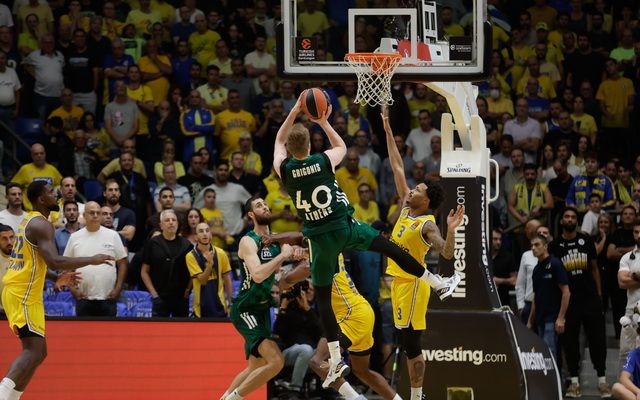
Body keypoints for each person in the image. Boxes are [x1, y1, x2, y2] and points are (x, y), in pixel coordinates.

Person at [273, 96, 462, 389]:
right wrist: (325, 122)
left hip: (324, 239)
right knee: (390, 249)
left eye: (419, 189)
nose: (413, 190)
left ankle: (340, 360)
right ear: (310, 146)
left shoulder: (284, 169)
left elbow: (278, 141)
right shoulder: (323, 161)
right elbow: (355, 151)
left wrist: (296, 110)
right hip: (346, 229)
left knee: (326, 300)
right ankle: (437, 283)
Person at [0, 181, 112, 400]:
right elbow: (55, 260)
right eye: (51, 192)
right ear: (41, 199)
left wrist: (54, 278)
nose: (57, 194)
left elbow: (34, 263)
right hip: (22, 293)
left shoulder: (32, 220)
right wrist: (93, 259)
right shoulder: (41, 225)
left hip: (23, 291)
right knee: (32, 350)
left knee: (39, 352)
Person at [221, 197, 301, 400]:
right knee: (276, 361)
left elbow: (277, 278)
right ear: (251, 214)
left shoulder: (275, 241)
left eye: (265, 204)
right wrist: (283, 256)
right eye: (259, 206)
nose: (264, 207)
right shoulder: (248, 241)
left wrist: (298, 256)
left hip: (263, 309)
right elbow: (257, 275)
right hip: (246, 308)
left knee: (256, 366)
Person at [549, 206, 611, 397]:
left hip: (590, 299)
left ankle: (602, 381)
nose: (570, 219)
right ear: (561, 221)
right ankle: (574, 382)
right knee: (570, 342)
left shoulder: (586, 241)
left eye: (573, 217)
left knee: (598, 340)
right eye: (566, 216)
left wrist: (599, 295)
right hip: (569, 301)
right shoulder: (554, 245)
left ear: (577, 221)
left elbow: (594, 268)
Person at [65, 202, 128, 317]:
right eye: (91, 213)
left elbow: (123, 263)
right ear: (84, 215)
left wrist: (118, 288)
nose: (95, 216)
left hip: (108, 298)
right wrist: (73, 289)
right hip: (83, 298)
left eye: (98, 213)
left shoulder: (113, 235)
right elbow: (66, 265)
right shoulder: (75, 237)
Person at [140, 209, 192, 317]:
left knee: (182, 327)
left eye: (174, 220)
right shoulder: (153, 243)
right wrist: (154, 294)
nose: (171, 222)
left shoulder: (187, 245)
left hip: (181, 298)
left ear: (178, 224)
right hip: (159, 297)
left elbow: (193, 271)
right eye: (167, 220)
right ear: (161, 225)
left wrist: (188, 290)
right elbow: (144, 271)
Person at [527, 233, 570, 362]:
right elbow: (536, 296)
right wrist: (530, 320)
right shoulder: (536, 269)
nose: (533, 248)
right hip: (540, 317)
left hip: (552, 316)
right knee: (542, 352)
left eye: (537, 245)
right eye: (532, 246)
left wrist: (561, 317)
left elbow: (566, 292)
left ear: (545, 246)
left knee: (549, 350)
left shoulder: (555, 264)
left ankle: (554, 375)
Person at [186, 222, 232, 318]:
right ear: (196, 237)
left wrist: (231, 303)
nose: (205, 234)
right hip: (200, 310)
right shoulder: (190, 256)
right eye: (201, 231)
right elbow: (202, 281)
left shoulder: (221, 253)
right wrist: (210, 264)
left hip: (220, 306)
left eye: (207, 231)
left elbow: (227, 278)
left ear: (210, 235)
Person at [617, 220, 640, 374]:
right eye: (636, 232)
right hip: (630, 312)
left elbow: (627, 279)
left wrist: (632, 275)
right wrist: (636, 275)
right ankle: (624, 387)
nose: (639, 235)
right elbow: (622, 282)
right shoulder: (627, 257)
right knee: (626, 354)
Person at [0, 225, 15, 317]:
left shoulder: (25, 258)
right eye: (4, 239)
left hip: (20, 313)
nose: (9, 242)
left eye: (11, 237)